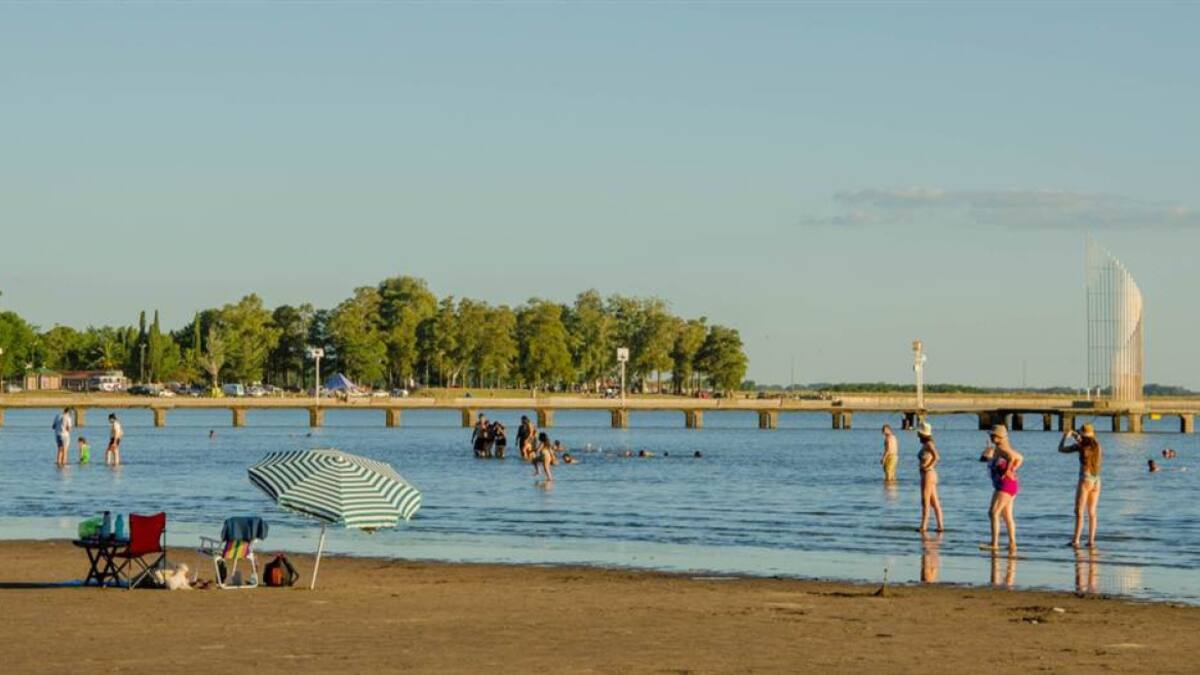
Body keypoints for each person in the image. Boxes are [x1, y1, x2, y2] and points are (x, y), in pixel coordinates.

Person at [980, 424, 1023, 551]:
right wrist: (1013, 469)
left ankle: (994, 544)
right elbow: (1020, 457)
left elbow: (1012, 457)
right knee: (1006, 515)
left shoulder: (1002, 449)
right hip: (1005, 485)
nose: (991, 437)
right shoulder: (1000, 448)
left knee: (993, 513)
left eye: (992, 435)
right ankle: (1012, 544)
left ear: (999, 437)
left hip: (1006, 485)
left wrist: (1009, 470)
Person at [1059, 423, 1102, 548]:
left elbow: (1061, 449)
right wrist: (1073, 434)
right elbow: (1084, 441)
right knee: (1092, 512)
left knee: (1079, 511)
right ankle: (1091, 541)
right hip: (1097, 480)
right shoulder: (1098, 445)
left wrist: (1064, 437)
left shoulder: (1080, 446)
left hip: (1085, 479)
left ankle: (1076, 540)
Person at [916, 422, 944, 533]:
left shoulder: (929, 444)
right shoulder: (927, 444)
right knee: (934, 502)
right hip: (929, 474)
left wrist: (927, 466)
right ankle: (940, 525)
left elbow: (937, 457)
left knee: (925, 501)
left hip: (928, 474)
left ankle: (924, 526)